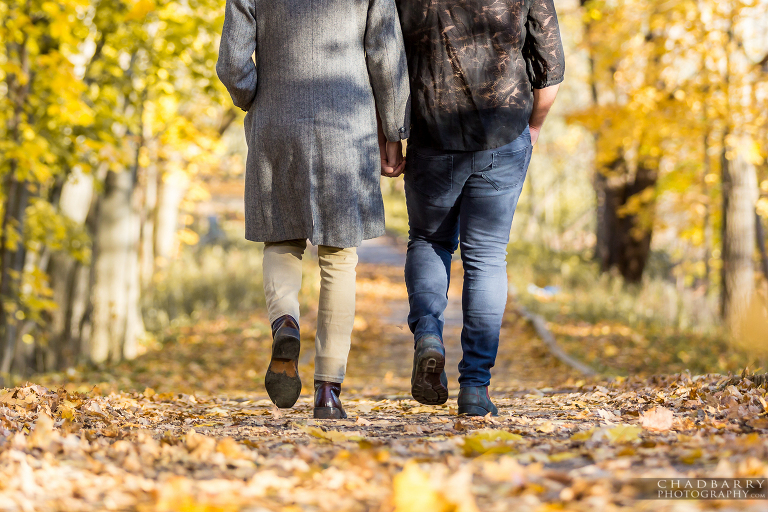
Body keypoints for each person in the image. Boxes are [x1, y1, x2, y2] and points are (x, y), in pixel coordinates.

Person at [217, 0, 410, 419]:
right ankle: (328, 393)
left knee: (281, 240)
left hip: (276, 123)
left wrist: (255, 95)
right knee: (339, 259)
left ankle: (285, 321)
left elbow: (232, 63)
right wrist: (394, 129)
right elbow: (385, 53)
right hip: (347, 126)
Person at [390, 0, 565, 416]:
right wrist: (534, 125)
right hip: (502, 134)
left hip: (432, 132)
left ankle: (429, 336)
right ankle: (475, 387)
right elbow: (551, 63)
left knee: (429, 241)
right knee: (486, 259)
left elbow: (385, 53)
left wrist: (392, 132)